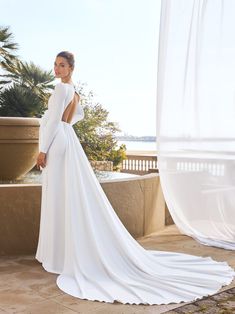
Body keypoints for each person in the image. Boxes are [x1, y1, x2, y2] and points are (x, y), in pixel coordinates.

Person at [35, 51, 234, 305]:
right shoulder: (74, 91)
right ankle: (63, 254)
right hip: (68, 141)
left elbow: (53, 121)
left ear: (71, 68)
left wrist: (42, 151)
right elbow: (71, 119)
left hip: (58, 141)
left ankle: (59, 255)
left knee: (58, 197)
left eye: (61, 65)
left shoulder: (61, 90)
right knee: (65, 196)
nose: (56, 69)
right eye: (55, 65)